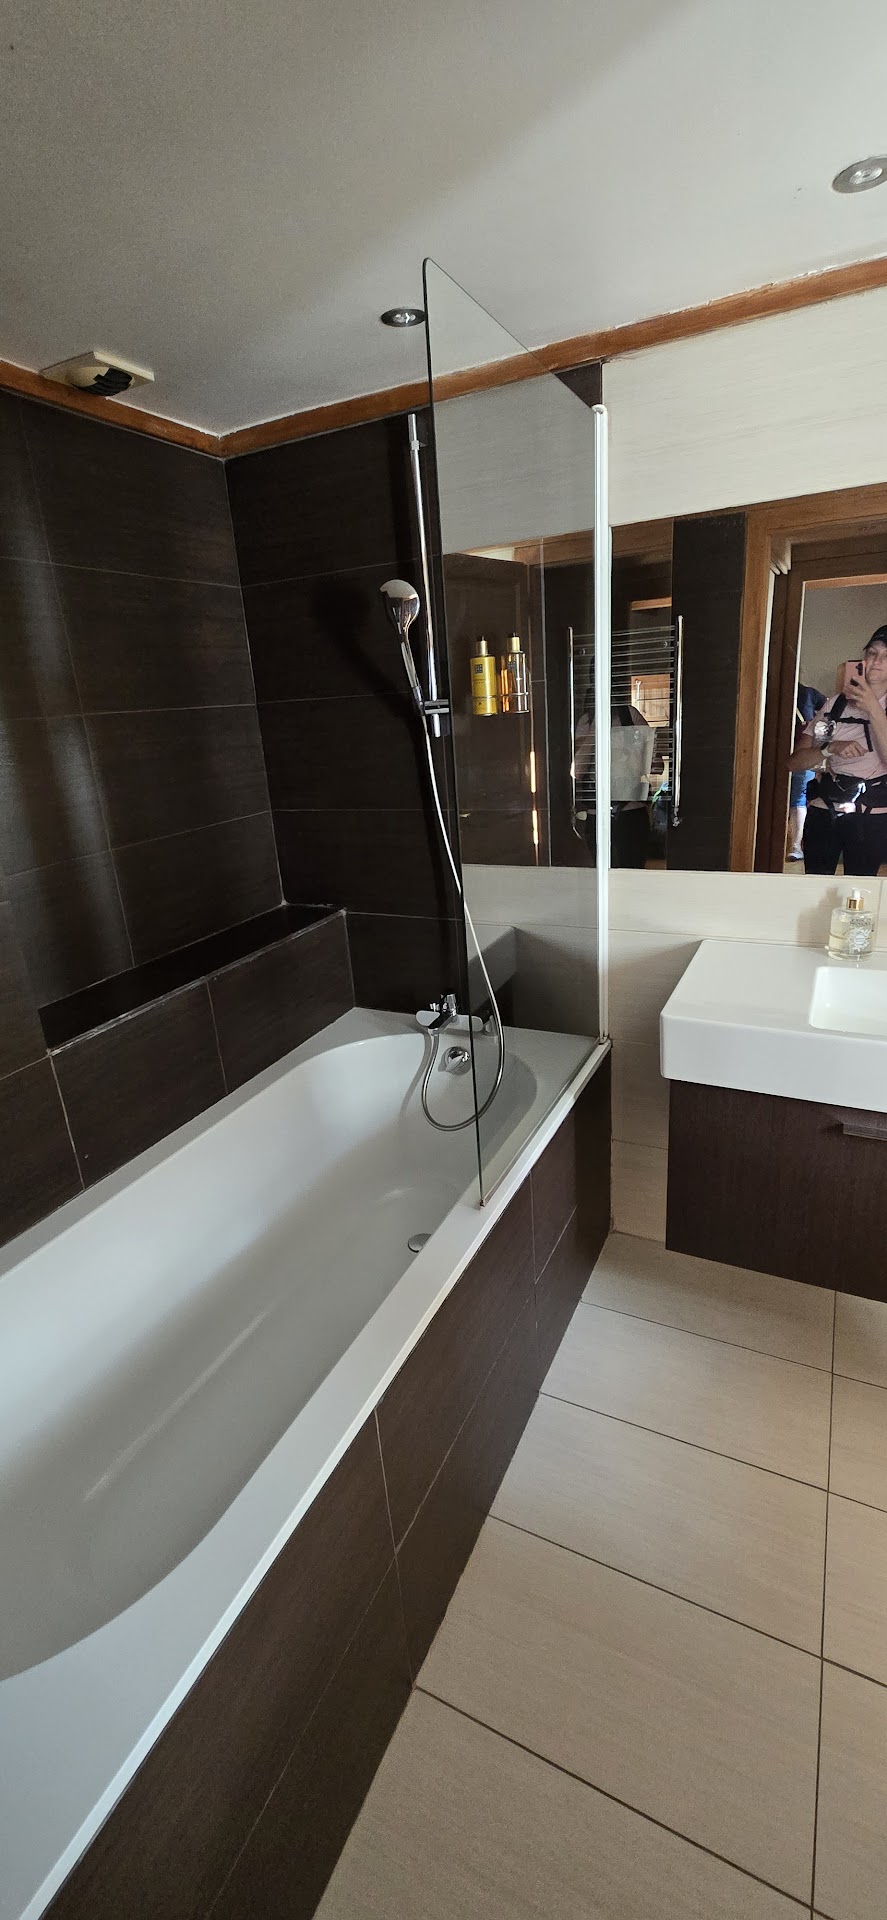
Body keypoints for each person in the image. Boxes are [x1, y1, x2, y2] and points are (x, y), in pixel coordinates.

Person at [788, 626, 887, 875]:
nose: (877, 661)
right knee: (815, 886)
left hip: (870, 816)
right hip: (824, 810)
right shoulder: (836, 705)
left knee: (859, 889)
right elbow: (796, 762)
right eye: (872, 653)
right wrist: (829, 748)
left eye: (886, 656)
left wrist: (873, 708)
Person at [574, 691, 653, 867]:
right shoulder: (587, 721)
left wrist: (627, 749)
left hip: (631, 810)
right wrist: (595, 730)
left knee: (632, 873)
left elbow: (654, 764)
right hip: (598, 811)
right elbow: (577, 771)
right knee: (600, 873)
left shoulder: (630, 715)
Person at [786, 681, 826, 861]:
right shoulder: (808, 692)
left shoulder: (807, 693)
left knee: (796, 798)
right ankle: (795, 846)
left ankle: (795, 845)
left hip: (795, 754)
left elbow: (827, 710)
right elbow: (826, 709)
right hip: (803, 754)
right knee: (798, 799)